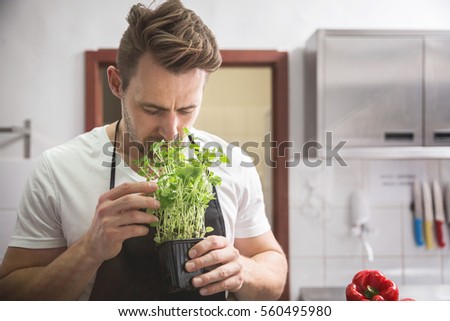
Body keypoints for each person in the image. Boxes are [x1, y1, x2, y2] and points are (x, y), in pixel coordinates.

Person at [0, 0, 287, 300]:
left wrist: (243, 269)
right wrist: (88, 250)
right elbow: (10, 295)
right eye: (152, 109)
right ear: (116, 84)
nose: (171, 129)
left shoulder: (233, 163)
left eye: (187, 109)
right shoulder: (58, 169)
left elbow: (273, 269)